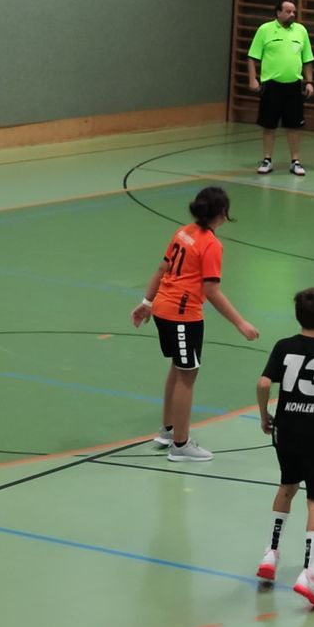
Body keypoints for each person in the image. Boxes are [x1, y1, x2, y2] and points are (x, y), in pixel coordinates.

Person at [131, 186, 260, 463]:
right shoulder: (211, 244)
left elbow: (162, 269)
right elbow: (211, 291)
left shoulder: (183, 232)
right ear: (222, 213)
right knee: (187, 376)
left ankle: (168, 431)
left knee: (178, 369)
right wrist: (240, 323)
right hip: (182, 315)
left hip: (163, 308)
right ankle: (180, 445)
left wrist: (147, 302)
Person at [256, 287, 314, 610]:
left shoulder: (284, 347)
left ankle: (271, 553)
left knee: (287, 485)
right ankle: (309, 573)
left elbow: (263, 383)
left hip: (286, 429)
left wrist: (264, 415)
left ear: (297, 315)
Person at [247, 0, 314, 177]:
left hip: (294, 86)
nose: (292, 14)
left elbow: (307, 59)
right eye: (288, 11)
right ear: (278, 12)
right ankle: (267, 160)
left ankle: (295, 161)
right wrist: (253, 79)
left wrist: (309, 82)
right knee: (269, 125)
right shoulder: (265, 30)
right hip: (271, 85)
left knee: (294, 125)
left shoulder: (301, 31)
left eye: (294, 12)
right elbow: (252, 57)